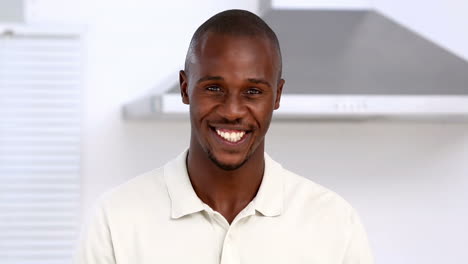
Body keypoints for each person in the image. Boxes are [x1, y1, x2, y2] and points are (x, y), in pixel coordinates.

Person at [74, 9, 373, 264]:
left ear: (277, 95)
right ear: (184, 88)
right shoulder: (115, 220)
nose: (232, 111)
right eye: (214, 88)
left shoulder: (334, 223)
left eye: (253, 91)